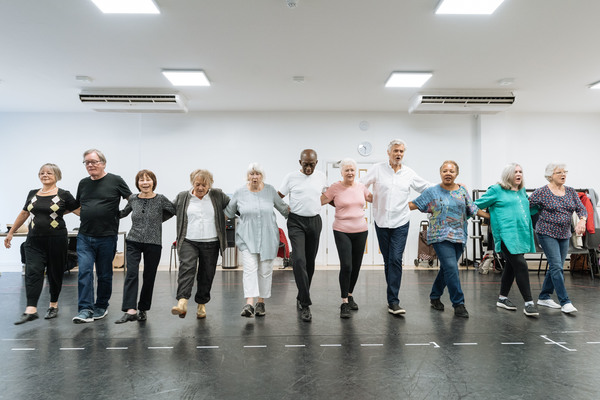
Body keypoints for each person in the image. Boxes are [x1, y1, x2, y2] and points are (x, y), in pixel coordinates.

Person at [409, 161, 487, 318]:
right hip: (439, 235)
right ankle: (458, 303)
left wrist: (493, 217)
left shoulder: (462, 191)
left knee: (447, 269)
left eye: (451, 171)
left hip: (459, 235)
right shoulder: (432, 192)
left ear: (456, 174)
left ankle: (434, 296)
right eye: (445, 170)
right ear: (440, 173)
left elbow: (472, 209)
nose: (448, 173)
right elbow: (414, 204)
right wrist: (389, 204)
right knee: (451, 267)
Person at [361, 139, 430, 315]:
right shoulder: (377, 169)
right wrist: (369, 197)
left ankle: (393, 301)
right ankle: (391, 298)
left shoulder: (408, 173)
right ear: (388, 152)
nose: (398, 154)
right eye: (396, 151)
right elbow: (361, 185)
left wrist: (449, 187)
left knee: (395, 259)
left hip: (401, 222)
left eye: (401, 151)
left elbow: (427, 188)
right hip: (381, 221)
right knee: (388, 259)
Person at [4, 164, 79, 324]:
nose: (45, 175)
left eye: (49, 173)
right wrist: (11, 232)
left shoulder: (64, 194)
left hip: (56, 240)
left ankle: (53, 305)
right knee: (33, 271)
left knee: (54, 273)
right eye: (42, 173)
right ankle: (31, 309)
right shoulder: (33, 194)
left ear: (57, 175)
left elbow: (79, 211)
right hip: (34, 240)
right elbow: (24, 213)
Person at [72, 149, 132, 323]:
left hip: (107, 236)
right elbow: (78, 205)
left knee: (104, 274)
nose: (90, 165)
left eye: (94, 162)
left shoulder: (115, 180)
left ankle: (101, 306)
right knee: (84, 271)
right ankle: (85, 309)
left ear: (103, 163)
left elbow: (132, 199)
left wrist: (121, 214)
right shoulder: (83, 183)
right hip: (84, 236)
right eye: (87, 162)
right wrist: (85, 215)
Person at [474, 163, 539, 317]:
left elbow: (527, 208)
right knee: (521, 265)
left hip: (521, 234)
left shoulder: (522, 191)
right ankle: (529, 303)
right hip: (505, 235)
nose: (519, 174)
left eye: (521, 171)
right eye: (515, 172)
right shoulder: (496, 190)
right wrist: (489, 216)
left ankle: (502, 299)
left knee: (511, 265)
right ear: (508, 174)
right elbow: (474, 206)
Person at [225, 163, 289, 318]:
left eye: (257, 174)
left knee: (265, 271)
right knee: (249, 269)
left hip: (268, 237)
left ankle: (261, 302)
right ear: (248, 176)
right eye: (252, 174)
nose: (255, 177)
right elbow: (228, 212)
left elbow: (284, 209)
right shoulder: (240, 192)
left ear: (262, 176)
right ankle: (249, 303)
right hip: (247, 238)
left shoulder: (270, 190)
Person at [115, 170, 175, 324]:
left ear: (153, 182)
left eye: (148, 180)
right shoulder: (133, 198)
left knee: (149, 276)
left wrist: (158, 221)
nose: (145, 182)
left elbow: (174, 210)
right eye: (141, 180)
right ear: (138, 184)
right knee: (131, 274)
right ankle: (130, 310)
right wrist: (106, 209)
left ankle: (143, 309)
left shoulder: (161, 199)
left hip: (153, 243)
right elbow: (122, 213)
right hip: (133, 240)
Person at [170, 169, 230, 319]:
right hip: (188, 240)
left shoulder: (217, 195)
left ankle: (201, 304)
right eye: (198, 184)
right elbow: (168, 210)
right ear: (192, 183)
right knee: (187, 269)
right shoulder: (183, 197)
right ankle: (182, 302)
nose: (201, 188)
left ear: (210, 184)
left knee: (207, 274)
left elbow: (235, 206)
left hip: (212, 241)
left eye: (205, 184)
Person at [529, 163, 587, 314]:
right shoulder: (541, 192)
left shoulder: (571, 192)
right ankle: (565, 301)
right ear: (550, 175)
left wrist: (582, 220)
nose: (563, 175)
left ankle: (544, 296)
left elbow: (581, 208)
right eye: (559, 172)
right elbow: (526, 207)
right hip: (546, 233)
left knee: (557, 266)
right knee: (556, 266)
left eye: (565, 172)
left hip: (564, 234)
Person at [278, 149, 327, 322]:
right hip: (296, 222)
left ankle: (301, 296)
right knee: (299, 260)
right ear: (300, 163)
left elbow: (326, 195)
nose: (308, 168)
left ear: (316, 163)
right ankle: (305, 304)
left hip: (314, 221)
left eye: (311, 165)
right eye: (305, 164)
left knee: (310, 262)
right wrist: (286, 210)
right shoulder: (291, 177)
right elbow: (278, 197)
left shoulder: (321, 177)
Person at [321, 158, 373, 318]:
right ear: (341, 172)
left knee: (356, 266)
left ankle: (350, 295)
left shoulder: (361, 187)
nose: (350, 172)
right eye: (347, 170)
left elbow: (375, 199)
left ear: (355, 172)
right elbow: (321, 200)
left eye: (352, 170)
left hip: (361, 230)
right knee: (347, 265)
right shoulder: (335, 187)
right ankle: (344, 302)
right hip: (341, 230)